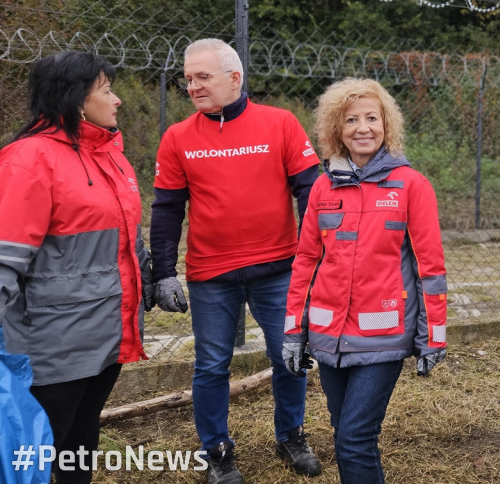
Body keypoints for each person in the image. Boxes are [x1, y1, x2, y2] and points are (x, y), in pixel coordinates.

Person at [150, 38, 323, 483]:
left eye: (203, 77)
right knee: (211, 365)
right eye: (187, 79)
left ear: (234, 77)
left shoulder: (280, 124)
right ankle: (218, 452)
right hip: (212, 275)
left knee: (288, 355)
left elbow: (311, 190)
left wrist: (315, 253)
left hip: (279, 269)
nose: (193, 86)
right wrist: (165, 272)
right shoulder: (178, 137)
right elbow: (167, 208)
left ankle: (291, 435)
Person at [0, 51, 158, 483]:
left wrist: (150, 277)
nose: (118, 100)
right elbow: (4, 260)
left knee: (81, 435)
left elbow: (127, 238)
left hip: (107, 334)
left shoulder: (110, 154)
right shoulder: (28, 160)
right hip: (53, 345)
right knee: (36, 448)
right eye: (107, 90)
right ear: (76, 99)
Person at [282, 78, 448, 483]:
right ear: (336, 130)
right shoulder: (323, 185)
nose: (363, 127)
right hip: (327, 337)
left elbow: (430, 267)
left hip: (383, 336)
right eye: (351, 119)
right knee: (346, 436)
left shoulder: (411, 185)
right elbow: (306, 260)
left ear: (386, 125)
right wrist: (293, 331)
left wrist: (434, 335)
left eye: (372, 118)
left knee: (354, 438)